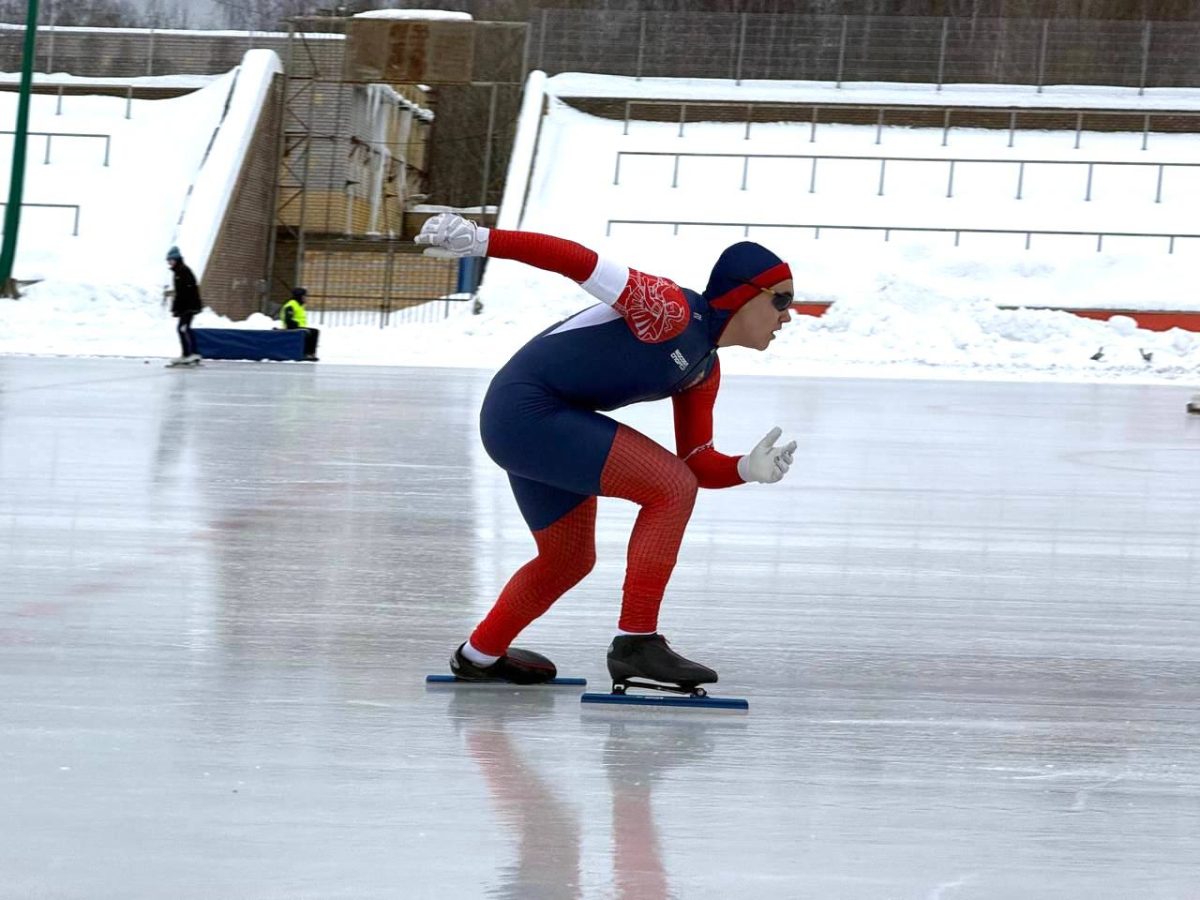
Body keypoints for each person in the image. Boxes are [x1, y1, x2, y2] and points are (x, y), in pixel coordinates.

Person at [416, 213, 797, 690]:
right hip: (528, 411)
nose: (788, 315)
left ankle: (479, 654)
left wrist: (744, 467)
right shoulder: (669, 309)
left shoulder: (703, 368)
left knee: (567, 559)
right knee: (669, 488)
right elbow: (577, 260)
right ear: (742, 295)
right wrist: (481, 240)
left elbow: (697, 460)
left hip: (537, 421)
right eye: (780, 299)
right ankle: (636, 642)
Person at [166, 246, 202, 365]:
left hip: (189, 306)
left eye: (171, 260)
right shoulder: (179, 271)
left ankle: (190, 354)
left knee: (183, 328)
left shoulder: (183, 271)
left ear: (176, 259)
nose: (169, 263)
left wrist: (186, 308)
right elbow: (181, 293)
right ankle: (189, 354)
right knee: (184, 328)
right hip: (187, 306)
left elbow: (187, 291)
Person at [279, 286, 320, 361]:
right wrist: (296, 325)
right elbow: (288, 319)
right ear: (299, 296)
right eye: (304, 296)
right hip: (291, 327)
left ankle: (310, 353)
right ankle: (306, 353)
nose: (306, 298)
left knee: (314, 331)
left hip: (299, 327)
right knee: (311, 332)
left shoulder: (300, 305)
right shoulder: (291, 305)